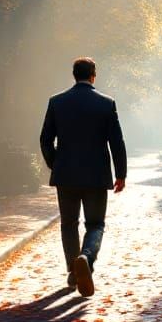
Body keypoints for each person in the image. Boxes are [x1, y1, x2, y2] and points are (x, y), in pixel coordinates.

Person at [39, 57, 127, 297]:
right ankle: (86, 258)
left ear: (74, 75)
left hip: (66, 174)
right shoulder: (106, 104)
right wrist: (121, 174)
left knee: (69, 224)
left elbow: (45, 139)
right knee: (95, 224)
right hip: (96, 176)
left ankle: (72, 269)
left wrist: (55, 164)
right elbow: (116, 142)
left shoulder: (57, 102)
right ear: (93, 76)